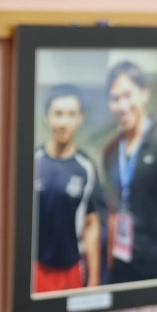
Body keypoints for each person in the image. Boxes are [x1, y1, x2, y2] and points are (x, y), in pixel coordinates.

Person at [101, 62, 157, 285]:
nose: (122, 105)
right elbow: (113, 207)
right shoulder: (111, 151)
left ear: (144, 94)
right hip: (122, 260)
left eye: (127, 95)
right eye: (115, 98)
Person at [33, 85, 106, 292]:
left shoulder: (86, 167)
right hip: (35, 268)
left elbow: (91, 223)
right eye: (58, 114)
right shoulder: (33, 162)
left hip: (72, 271)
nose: (64, 122)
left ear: (80, 118)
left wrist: (93, 280)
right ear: (47, 117)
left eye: (71, 114)